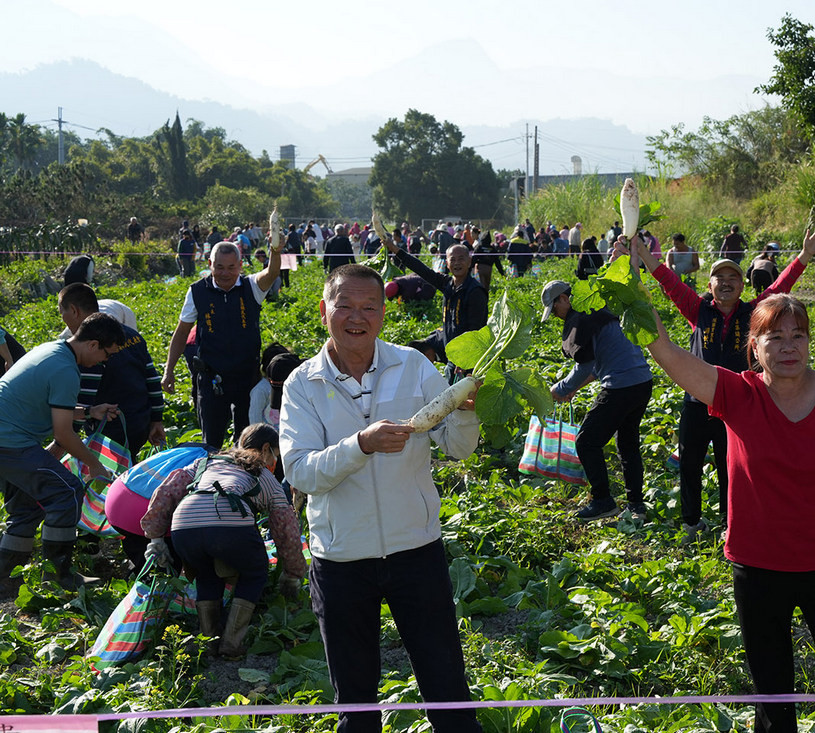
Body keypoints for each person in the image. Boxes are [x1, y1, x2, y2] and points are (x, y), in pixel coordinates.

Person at [640, 293, 815, 732]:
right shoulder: (735, 392)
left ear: (809, 342)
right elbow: (666, 352)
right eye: (775, 337)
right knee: (772, 694)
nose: (788, 347)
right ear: (755, 346)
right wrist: (633, 285)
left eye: (798, 336)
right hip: (758, 567)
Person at [280, 263, 482, 733]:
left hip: (416, 548)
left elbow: (457, 447)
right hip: (341, 558)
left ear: (383, 313)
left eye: (369, 307)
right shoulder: (302, 384)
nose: (357, 317)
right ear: (324, 310)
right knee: (356, 700)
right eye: (345, 306)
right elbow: (301, 472)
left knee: (447, 686)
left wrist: (466, 413)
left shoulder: (412, 366)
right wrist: (361, 445)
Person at [633, 229, 815, 537]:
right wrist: (643, 254)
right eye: (719, 278)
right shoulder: (697, 308)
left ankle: (731, 523)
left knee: (733, 467)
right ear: (709, 285)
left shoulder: (753, 313)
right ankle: (691, 522)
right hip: (697, 401)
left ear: (742, 285)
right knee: (689, 464)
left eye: (733, 278)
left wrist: (804, 256)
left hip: (737, 405)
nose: (726, 283)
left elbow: (780, 287)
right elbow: (669, 281)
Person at [142, 423, 306, 658]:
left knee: (206, 575)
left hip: (184, 526)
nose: (275, 462)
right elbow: (285, 528)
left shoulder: (204, 463)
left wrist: (156, 538)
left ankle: (209, 641)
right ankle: (232, 643)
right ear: (266, 449)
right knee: (255, 572)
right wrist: (292, 573)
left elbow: (166, 491)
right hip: (228, 522)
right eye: (275, 456)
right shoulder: (262, 474)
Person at [0, 313, 125, 594]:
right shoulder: (65, 370)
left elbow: (53, 407)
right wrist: (95, 465)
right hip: (10, 441)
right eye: (107, 354)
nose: (104, 361)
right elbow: (63, 434)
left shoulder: (52, 351)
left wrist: (89, 412)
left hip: (7, 437)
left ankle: (5, 578)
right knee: (66, 491)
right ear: (93, 344)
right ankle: (59, 577)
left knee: (28, 505)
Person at [541, 280, 654, 521]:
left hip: (620, 386)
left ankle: (603, 500)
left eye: (555, 308)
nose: (556, 316)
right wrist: (573, 389)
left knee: (586, 442)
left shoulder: (580, 318)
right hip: (642, 381)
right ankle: (636, 505)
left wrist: (561, 388)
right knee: (628, 444)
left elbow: (586, 365)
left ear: (564, 299)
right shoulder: (599, 309)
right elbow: (598, 363)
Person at [162, 236, 284, 450]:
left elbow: (272, 273)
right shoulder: (197, 291)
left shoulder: (251, 286)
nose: (225, 273)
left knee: (248, 441)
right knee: (211, 441)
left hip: (247, 377)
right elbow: (182, 332)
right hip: (211, 378)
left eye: (231, 267)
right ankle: (213, 470)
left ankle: (243, 471)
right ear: (210, 264)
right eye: (219, 267)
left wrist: (275, 251)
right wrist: (168, 370)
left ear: (240, 265)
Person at [58, 284, 166, 455]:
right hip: (140, 422)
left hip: (109, 427)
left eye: (61, 313)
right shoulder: (131, 335)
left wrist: (67, 438)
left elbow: (85, 397)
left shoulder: (89, 346)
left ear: (73, 310)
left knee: (112, 468)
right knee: (129, 462)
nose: (62, 319)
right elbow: (152, 380)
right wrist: (156, 419)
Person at [384, 238, 487, 382]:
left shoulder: (475, 291)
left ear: (469, 262)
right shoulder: (447, 284)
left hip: (468, 361)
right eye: (453, 259)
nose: (457, 263)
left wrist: (465, 360)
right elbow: (422, 270)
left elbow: (475, 329)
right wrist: (395, 250)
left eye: (461, 259)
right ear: (447, 264)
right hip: (452, 357)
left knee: (465, 395)